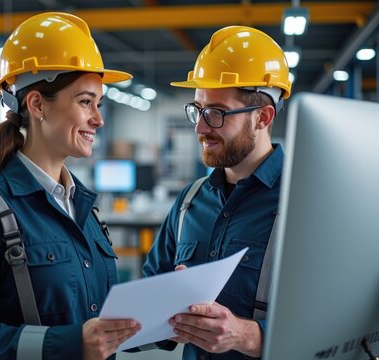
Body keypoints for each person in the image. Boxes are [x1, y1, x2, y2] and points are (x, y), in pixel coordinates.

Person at [0, 12, 141, 360]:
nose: (99, 119)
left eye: (99, 104)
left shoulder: (82, 206)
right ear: (37, 104)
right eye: (85, 102)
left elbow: (92, 313)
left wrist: (165, 306)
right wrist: (71, 344)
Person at [142, 26, 292, 359]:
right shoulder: (189, 202)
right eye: (197, 109)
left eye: (216, 113)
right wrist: (163, 308)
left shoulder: (305, 204)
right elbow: (147, 300)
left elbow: (334, 322)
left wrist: (249, 336)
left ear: (262, 117)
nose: (199, 127)